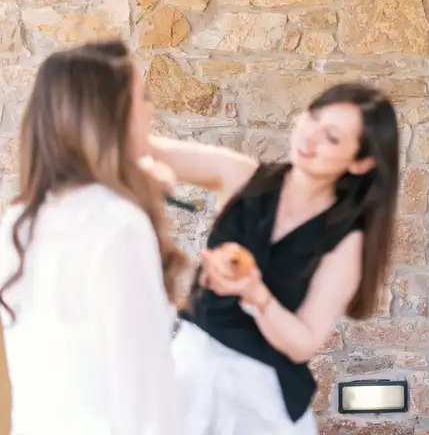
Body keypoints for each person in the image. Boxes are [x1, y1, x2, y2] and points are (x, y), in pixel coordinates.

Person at [148, 82, 399, 434]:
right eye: (312, 119)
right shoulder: (241, 176)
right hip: (191, 368)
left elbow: (303, 343)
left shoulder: (346, 240)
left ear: (360, 162)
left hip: (259, 394)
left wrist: (254, 293)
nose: (309, 138)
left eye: (331, 137)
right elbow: (144, 149)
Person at [0, 41, 186, 434]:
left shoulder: (19, 220)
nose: (152, 110)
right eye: (144, 98)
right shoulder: (117, 224)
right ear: (110, 115)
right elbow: (145, 400)